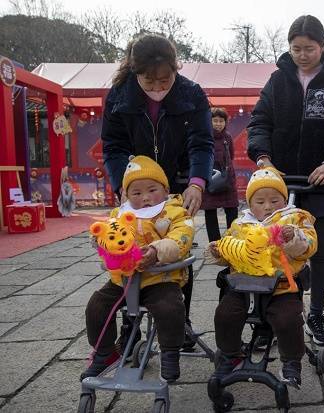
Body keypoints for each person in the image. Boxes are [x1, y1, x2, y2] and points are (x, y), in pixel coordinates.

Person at [247, 15, 324, 346]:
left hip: (322, 181)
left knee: (317, 250)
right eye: (296, 48)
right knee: (273, 245)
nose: (302, 55)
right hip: (280, 183)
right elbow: (259, 122)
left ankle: (316, 313)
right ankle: (270, 317)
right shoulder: (277, 81)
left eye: (309, 48)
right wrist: (264, 160)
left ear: (323, 46)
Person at [101, 33, 213, 349]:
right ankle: (131, 323)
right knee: (131, 248)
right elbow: (114, 146)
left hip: (177, 183)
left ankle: (181, 321)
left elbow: (201, 143)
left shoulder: (191, 93)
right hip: (135, 185)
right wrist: (123, 186)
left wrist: (196, 182)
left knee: (179, 248)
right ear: (134, 73)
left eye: (165, 81)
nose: (158, 89)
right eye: (149, 83)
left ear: (175, 69)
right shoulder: (119, 96)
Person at [82, 155, 194, 383]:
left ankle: (170, 352)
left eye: (152, 190)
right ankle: (104, 353)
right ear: (125, 195)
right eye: (136, 193)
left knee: (170, 308)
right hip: (122, 281)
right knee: (96, 307)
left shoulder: (173, 212)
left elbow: (181, 238)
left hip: (160, 278)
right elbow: (106, 234)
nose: (145, 198)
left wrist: (155, 251)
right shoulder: (119, 215)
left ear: (165, 189)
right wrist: (100, 240)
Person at [208, 168, 317, 388]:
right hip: (242, 287)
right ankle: (230, 353)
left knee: (288, 319)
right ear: (250, 204)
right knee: (225, 314)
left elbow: (310, 246)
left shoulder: (295, 218)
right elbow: (230, 249)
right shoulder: (241, 224)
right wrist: (218, 252)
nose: (267, 206)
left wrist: (293, 237)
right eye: (260, 202)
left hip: (281, 287)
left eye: (274, 200)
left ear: (284, 199)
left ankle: (292, 362)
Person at [200, 108, 239, 242]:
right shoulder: (204, 136)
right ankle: (215, 244)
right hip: (210, 179)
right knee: (210, 212)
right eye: (215, 121)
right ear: (209, 122)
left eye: (221, 121)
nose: (218, 124)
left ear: (225, 122)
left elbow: (231, 155)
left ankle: (232, 241)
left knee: (232, 210)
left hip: (227, 179)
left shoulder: (227, 137)